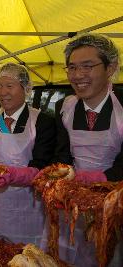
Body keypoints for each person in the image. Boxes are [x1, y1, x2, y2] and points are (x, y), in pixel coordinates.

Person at [47, 33, 123, 266]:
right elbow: (62, 153)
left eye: (87, 66)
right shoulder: (65, 106)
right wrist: (60, 178)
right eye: (72, 67)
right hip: (75, 199)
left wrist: (102, 179)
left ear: (110, 68)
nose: (78, 75)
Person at [0, 63, 56, 246]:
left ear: (25, 88)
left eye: (9, 86)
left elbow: (43, 164)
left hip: (27, 206)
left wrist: (15, 175)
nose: (2, 92)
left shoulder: (41, 121)